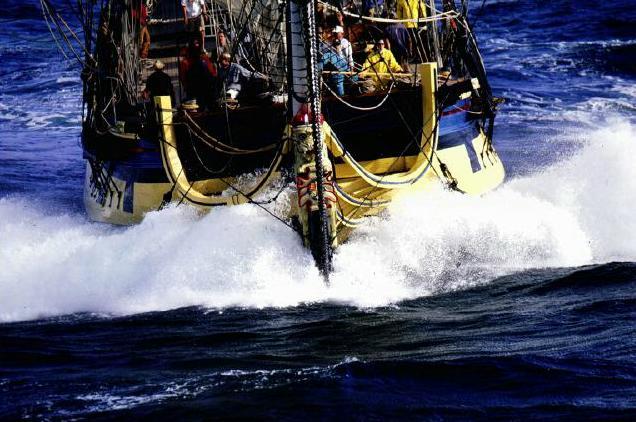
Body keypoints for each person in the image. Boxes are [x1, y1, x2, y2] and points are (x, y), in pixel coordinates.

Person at [179, 38, 217, 109]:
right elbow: (183, 76)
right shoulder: (185, 62)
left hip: (205, 87)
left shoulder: (204, 59)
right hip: (194, 89)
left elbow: (212, 73)